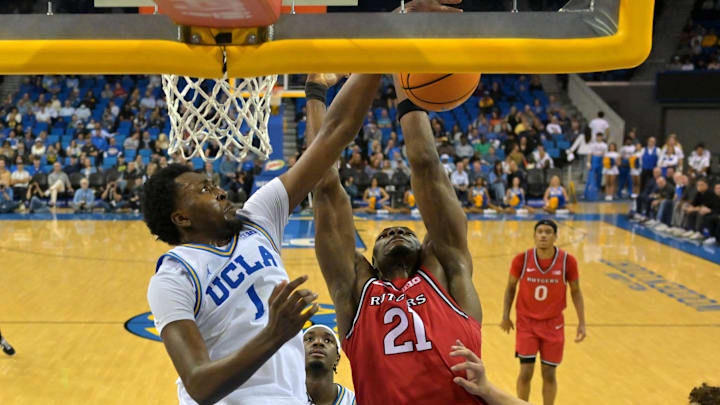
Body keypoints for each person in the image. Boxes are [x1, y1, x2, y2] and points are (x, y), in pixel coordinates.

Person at [142, 72, 381, 405]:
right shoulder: (174, 277)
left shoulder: (258, 218)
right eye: (205, 190)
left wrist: (375, 62)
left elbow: (332, 139)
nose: (220, 191)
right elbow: (199, 384)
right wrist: (274, 333)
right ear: (182, 218)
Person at [309, 68, 492, 404]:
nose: (393, 231)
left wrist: (402, 69)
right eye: (384, 236)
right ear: (372, 261)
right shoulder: (357, 290)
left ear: (424, 250)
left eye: (405, 231)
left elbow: (426, 163)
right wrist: (315, 93)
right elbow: (323, 184)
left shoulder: (447, 274)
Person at [501, 220, 586, 405]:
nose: (543, 235)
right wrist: (505, 315)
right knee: (525, 372)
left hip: (553, 324)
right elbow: (510, 287)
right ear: (534, 236)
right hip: (527, 323)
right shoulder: (522, 259)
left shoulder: (567, 261)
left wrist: (582, 322)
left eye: (548, 232)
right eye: (539, 231)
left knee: (549, 373)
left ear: (556, 237)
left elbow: (576, 291)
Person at [303, 325, 356, 405]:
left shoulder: (357, 401)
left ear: (337, 358)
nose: (318, 342)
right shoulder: (284, 398)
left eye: (327, 340)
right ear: (298, 355)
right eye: (309, 339)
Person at [585, 133, 607, 200]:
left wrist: (605, 164)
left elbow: (605, 155)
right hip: (594, 160)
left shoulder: (604, 145)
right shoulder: (592, 144)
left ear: (602, 137)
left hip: (601, 161)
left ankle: (597, 192)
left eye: (600, 137)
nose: (599, 138)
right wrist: (588, 162)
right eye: (598, 137)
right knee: (591, 177)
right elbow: (589, 153)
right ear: (596, 137)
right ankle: (587, 193)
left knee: (599, 177)